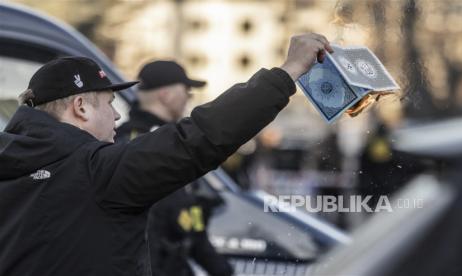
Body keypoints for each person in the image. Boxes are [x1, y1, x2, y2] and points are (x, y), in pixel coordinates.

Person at [0, 33, 334, 276]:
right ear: (81, 107)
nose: (117, 116)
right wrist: (287, 73)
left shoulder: (12, 166)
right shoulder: (95, 172)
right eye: (109, 104)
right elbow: (198, 138)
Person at [116, 60, 232, 275]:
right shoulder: (137, 147)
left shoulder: (173, 142)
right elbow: (145, 235)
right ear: (166, 95)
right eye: (186, 91)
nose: (189, 97)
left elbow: (192, 227)